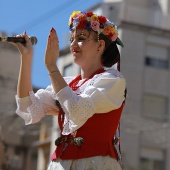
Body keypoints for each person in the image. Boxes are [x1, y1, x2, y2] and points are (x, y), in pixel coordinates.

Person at [13, 11, 126, 170]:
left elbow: (77, 110)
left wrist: (52, 67)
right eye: (71, 39)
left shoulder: (112, 80)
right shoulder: (68, 84)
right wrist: (26, 57)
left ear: (100, 45)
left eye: (81, 39)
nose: (72, 45)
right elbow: (28, 107)